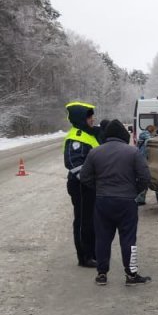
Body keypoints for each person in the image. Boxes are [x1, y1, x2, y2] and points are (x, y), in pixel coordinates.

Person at [79, 120, 152, 286]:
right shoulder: (133, 152)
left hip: (103, 201)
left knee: (102, 238)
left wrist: (99, 189)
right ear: (123, 136)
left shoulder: (95, 152)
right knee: (129, 239)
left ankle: (102, 274)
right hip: (127, 202)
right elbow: (145, 177)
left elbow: (85, 177)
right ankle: (131, 275)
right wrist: (135, 191)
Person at [64, 101, 100, 268]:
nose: (92, 119)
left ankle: (92, 252)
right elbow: (73, 163)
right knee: (83, 221)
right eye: (89, 117)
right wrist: (89, 181)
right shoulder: (76, 137)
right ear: (81, 119)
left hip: (90, 185)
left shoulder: (88, 133)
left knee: (92, 220)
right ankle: (85, 256)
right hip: (81, 186)